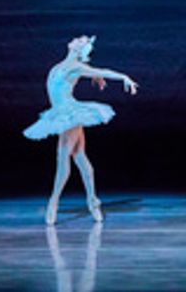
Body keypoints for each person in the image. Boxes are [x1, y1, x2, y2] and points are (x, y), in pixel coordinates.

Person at [24, 36, 138, 225]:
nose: (77, 40)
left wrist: (124, 77)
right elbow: (90, 73)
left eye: (81, 41)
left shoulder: (75, 67)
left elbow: (103, 71)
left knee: (63, 158)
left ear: (79, 50)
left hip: (70, 114)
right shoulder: (61, 66)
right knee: (80, 157)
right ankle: (93, 201)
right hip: (63, 113)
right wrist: (93, 74)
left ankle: (54, 202)